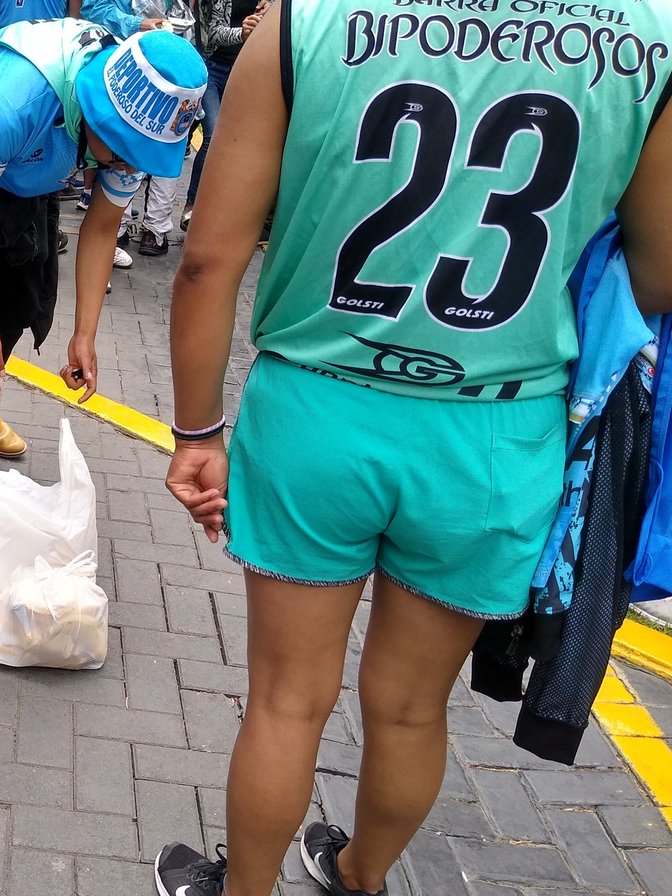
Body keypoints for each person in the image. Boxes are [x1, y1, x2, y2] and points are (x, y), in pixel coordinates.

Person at [156, 2, 672, 896]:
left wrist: (198, 432)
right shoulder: (650, 39)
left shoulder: (301, 24)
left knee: (285, 700)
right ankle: (360, 877)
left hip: (318, 411)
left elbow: (208, 259)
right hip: (498, 431)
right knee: (407, 709)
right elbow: (659, 273)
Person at [0, 19, 206, 466]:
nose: (132, 166)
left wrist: (85, 333)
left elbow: (103, 228)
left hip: (23, 167)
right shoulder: (12, 104)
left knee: (21, 305)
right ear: (99, 116)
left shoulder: (133, 129)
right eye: (126, 153)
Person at [79, 0, 185, 257]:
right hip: (122, 70)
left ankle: (155, 229)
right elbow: (92, 8)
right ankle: (116, 228)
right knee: (122, 152)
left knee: (161, 148)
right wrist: (136, 24)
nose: (132, 167)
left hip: (174, 75)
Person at [178, 0, 263, 232]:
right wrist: (243, 32)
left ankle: (225, 210)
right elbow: (214, 33)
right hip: (213, 70)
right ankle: (193, 204)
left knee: (242, 144)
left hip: (248, 72)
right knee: (213, 136)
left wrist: (273, 15)